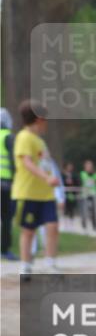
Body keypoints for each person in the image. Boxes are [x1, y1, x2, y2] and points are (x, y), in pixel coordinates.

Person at [12, 100, 60, 277]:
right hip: (28, 193)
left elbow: (45, 164)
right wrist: (47, 178)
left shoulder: (40, 141)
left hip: (46, 195)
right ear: (39, 119)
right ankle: (25, 266)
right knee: (28, 230)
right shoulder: (24, 137)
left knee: (53, 227)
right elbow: (27, 162)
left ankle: (50, 263)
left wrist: (54, 179)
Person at [1, 108, 16, 261]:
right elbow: (14, 162)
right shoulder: (9, 137)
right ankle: (5, 250)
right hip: (5, 185)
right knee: (6, 219)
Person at [79, 159, 96, 231]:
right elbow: (86, 180)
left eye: (90, 166)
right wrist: (91, 180)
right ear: (85, 167)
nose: (89, 167)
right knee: (84, 209)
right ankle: (84, 224)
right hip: (85, 194)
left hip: (93, 195)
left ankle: (95, 226)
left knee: (94, 210)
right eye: (88, 166)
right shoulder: (82, 173)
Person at [60, 161, 78, 227]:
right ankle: (65, 224)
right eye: (69, 166)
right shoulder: (62, 175)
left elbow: (77, 183)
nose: (70, 168)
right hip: (64, 194)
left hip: (72, 194)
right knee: (65, 209)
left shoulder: (74, 175)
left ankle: (71, 224)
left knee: (71, 209)